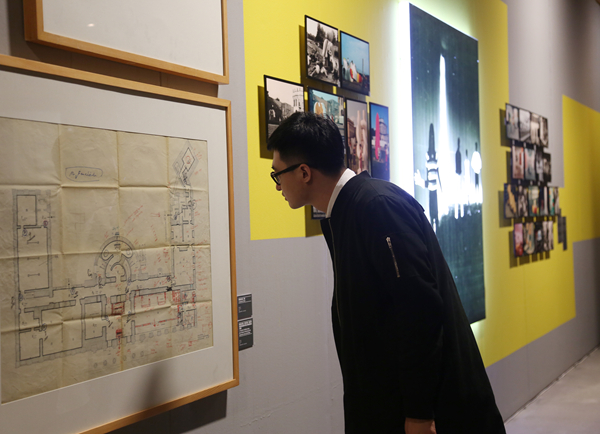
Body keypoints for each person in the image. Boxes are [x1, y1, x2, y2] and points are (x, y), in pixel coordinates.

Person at [267, 112, 505, 434]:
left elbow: (420, 313)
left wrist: (419, 413)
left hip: (432, 411)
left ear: (304, 172)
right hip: (386, 403)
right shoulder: (348, 211)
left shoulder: (376, 207)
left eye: (277, 174)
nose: (277, 186)